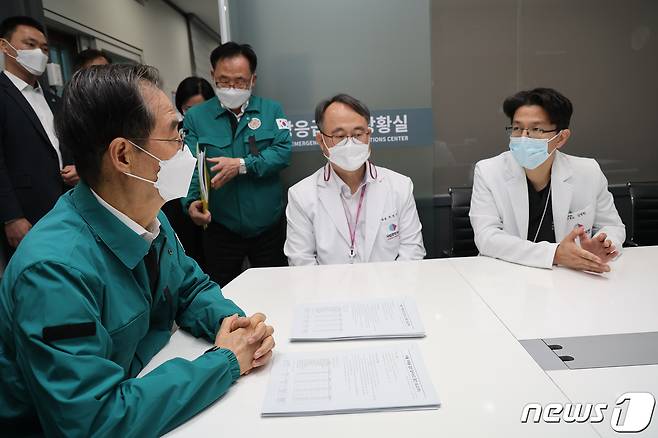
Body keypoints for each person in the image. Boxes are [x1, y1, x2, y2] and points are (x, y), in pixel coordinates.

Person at [0, 64, 275, 436]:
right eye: (176, 135)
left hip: (147, 381)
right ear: (124, 156)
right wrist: (225, 361)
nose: (187, 150)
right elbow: (93, 421)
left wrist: (234, 325)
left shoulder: (145, 214)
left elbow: (190, 289)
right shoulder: (53, 271)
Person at [470, 87, 625, 273]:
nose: (524, 138)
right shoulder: (488, 171)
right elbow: (487, 237)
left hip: (569, 278)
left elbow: (612, 225)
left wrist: (601, 245)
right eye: (517, 128)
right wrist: (555, 254)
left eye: (536, 129)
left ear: (561, 138)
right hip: (506, 276)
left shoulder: (588, 171)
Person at [182, 42, 292, 286]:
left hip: (268, 227)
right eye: (223, 80)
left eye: (240, 81)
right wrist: (190, 204)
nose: (232, 87)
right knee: (224, 294)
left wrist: (242, 164)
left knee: (277, 289)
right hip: (221, 227)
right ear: (212, 76)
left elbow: (283, 152)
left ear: (253, 79)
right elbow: (190, 166)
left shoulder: (271, 111)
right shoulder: (196, 117)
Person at [284, 94, 426, 265]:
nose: (350, 143)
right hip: (328, 290)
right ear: (321, 141)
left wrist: (388, 289)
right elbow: (301, 262)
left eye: (358, 134)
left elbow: (412, 252)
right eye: (340, 136)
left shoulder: (400, 186)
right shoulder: (301, 195)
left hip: (389, 287)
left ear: (369, 135)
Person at [0, 16, 78, 260]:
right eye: (29, 44)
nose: (39, 54)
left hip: (67, 206)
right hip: (27, 212)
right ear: (4, 46)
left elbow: (65, 143)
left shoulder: (54, 98)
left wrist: (79, 168)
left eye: (44, 49)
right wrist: (11, 216)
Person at [161, 76, 215, 267]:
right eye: (189, 110)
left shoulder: (215, 130)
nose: (195, 115)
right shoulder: (173, 132)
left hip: (210, 201)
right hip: (177, 202)